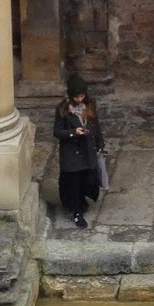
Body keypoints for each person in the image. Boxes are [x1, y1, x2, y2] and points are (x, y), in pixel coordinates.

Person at [54, 73, 103, 229]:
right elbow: (57, 132)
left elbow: (96, 125)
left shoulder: (90, 104)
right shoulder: (62, 109)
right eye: (77, 97)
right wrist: (73, 132)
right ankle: (76, 212)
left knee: (87, 178)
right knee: (73, 182)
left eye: (82, 96)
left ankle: (82, 200)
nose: (80, 99)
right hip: (72, 152)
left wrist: (100, 143)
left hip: (87, 148)